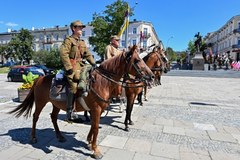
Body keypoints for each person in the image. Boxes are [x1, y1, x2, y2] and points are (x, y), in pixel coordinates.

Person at [60, 20, 96, 123]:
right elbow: (63, 53)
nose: (81, 30)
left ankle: (88, 108)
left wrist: (93, 63)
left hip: (81, 65)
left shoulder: (82, 42)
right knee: (74, 86)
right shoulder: (68, 40)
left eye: (81, 28)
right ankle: (69, 112)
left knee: (91, 81)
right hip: (72, 66)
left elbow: (87, 54)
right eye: (79, 28)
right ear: (73, 29)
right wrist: (68, 67)